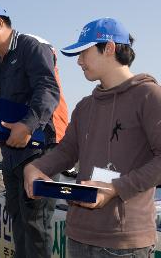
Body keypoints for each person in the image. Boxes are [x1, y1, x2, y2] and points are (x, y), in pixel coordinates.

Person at [24, 18, 159, 258]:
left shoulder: (149, 96)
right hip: (78, 236)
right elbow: (67, 150)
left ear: (108, 48)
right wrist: (36, 167)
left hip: (124, 243)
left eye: (83, 52)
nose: (78, 61)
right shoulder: (85, 106)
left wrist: (115, 188)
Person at [0, 1, 68, 258]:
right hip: (11, 154)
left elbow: (48, 90)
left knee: (36, 225)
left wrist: (28, 125)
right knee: (18, 222)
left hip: (40, 150)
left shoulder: (30, 47)